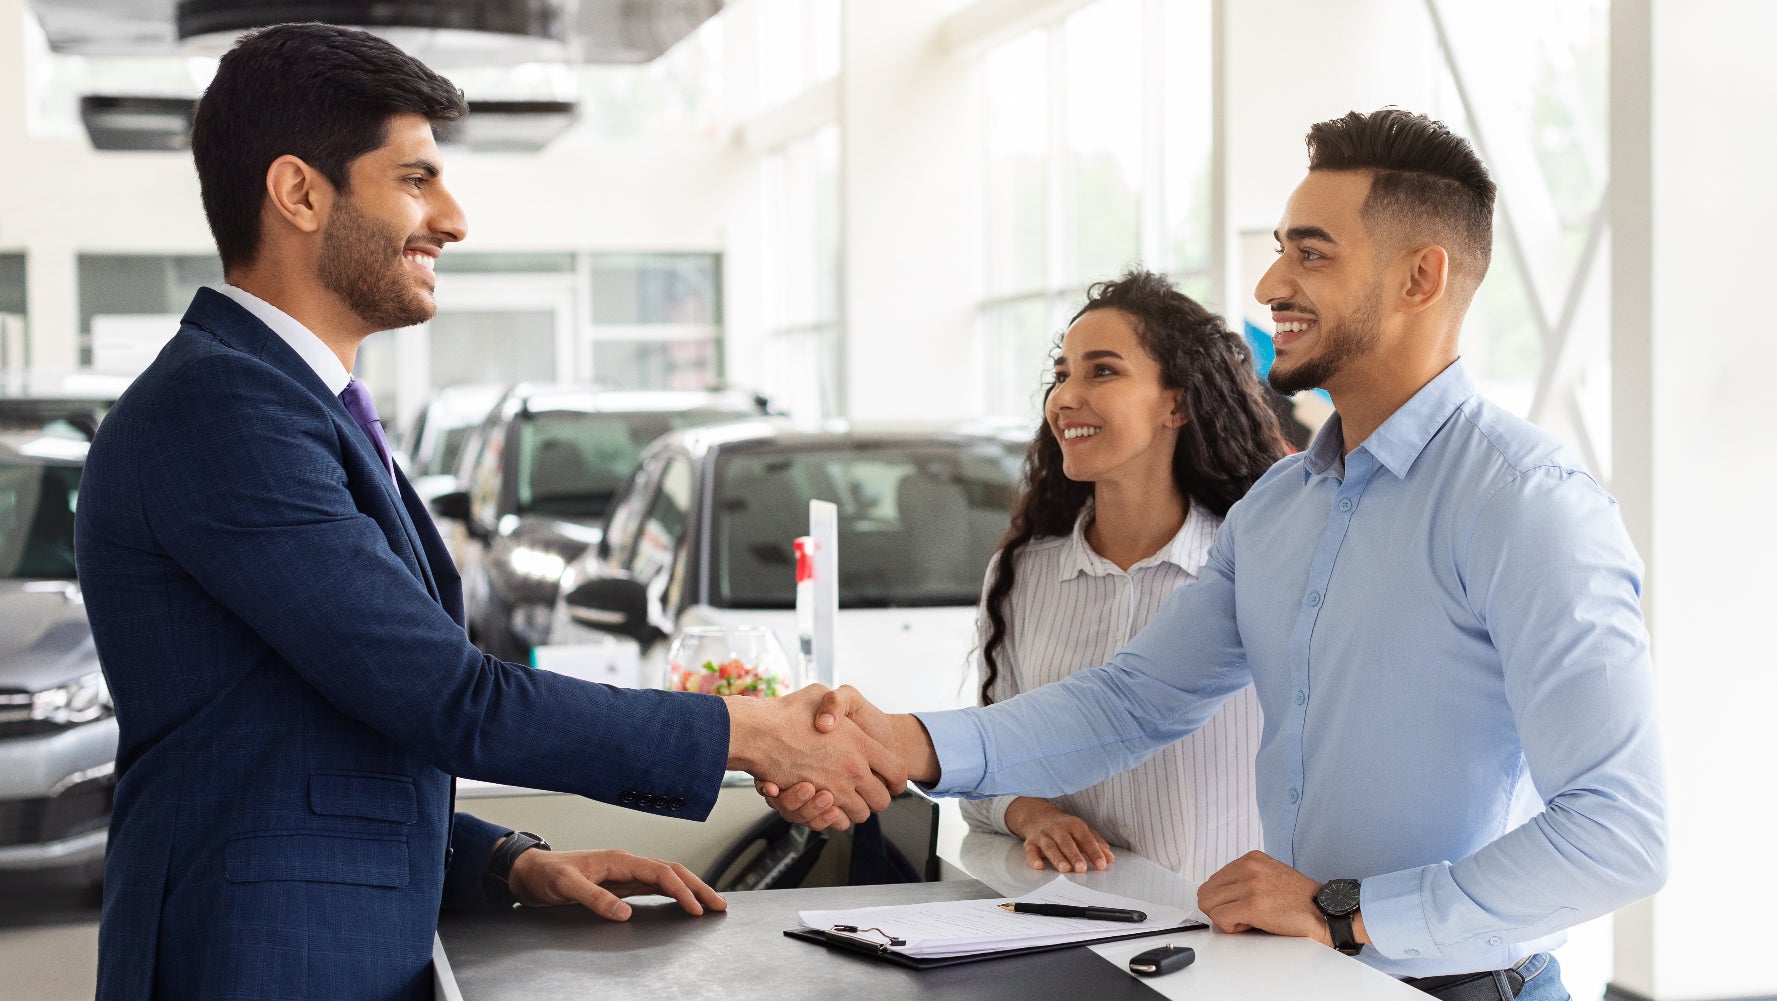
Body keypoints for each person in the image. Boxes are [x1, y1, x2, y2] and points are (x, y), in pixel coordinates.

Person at [73, 23, 901, 1001]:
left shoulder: (288, 400)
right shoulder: (225, 408)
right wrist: (751, 730)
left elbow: (304, 740)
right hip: (258, 965)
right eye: (416, 179)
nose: (453, 219)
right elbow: (443, 694)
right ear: (299, 192)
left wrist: (506, 859)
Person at [769, 109, 1667, 999]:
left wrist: (1350, 911)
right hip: (1302, 977)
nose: (1271, 283)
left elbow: (1619, 830)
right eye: (1279, 250)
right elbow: (1133, 700)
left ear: (1419, 277)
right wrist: (901, 742)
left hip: (1463, 984)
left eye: (1310, 254)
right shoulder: (1277, 508)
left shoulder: (1526, 503)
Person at [959, 269, 1285, 882]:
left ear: (1177, 404)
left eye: (1102, 371)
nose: (1064, 398)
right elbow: (985, 766)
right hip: (1072, 919)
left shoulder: (1262, 565)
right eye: (1061, 375)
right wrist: (1032, 814)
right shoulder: (1023, 573)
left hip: (1227, 928)